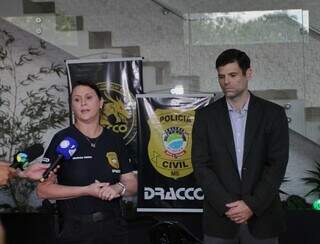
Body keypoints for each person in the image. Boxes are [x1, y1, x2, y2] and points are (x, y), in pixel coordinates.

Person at [191, 49, 289, 244]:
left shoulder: (273, 114)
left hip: (262, 220)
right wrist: (229, 206)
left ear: (248, 74)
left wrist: (251, 205)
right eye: (221, 76)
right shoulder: (205, 116)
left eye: (233, 75)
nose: (226, 81)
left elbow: (276, 165)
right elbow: (201, 165)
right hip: (220, 220)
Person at [36, 80, 137, 244]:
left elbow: (131, 183)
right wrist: (86, 190)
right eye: (76, 99)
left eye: (88, 97)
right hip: (75, 230)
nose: (83, 103)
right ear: (72, 106)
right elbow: (43, 190)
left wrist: (118, 188)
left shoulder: (115, 139)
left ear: (101, 103)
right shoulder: (62, 140)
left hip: (114, 228)